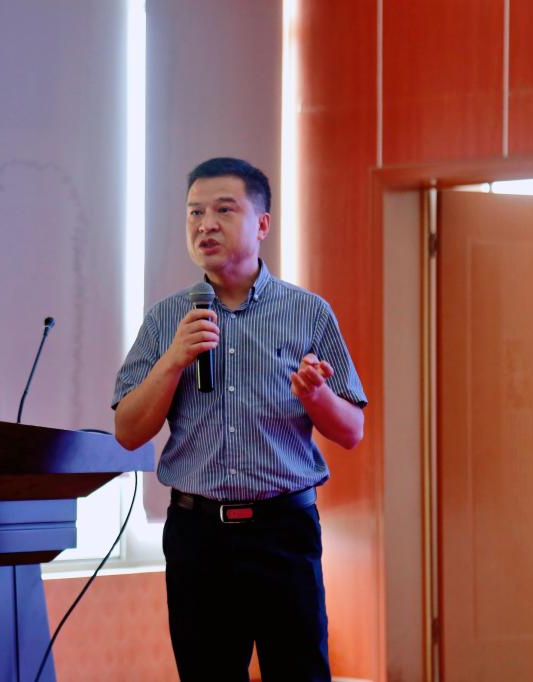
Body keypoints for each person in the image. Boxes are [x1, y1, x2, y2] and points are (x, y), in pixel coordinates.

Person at [112, 157, 366, 681]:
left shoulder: (308, 313)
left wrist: (317, 395)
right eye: (195, 212)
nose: (205, 224)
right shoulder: (166, 319)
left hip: (283, 533)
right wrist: (173, 360)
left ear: (262, 224)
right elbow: (129, 431)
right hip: (198, 536)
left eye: (224, 210)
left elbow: (351, 431)